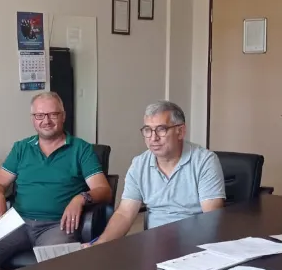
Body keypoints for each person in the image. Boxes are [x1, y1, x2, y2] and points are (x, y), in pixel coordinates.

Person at [0, 92, 112, 268]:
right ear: (33, 119)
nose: (46, 121)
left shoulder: (81, 149)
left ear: (63, 116)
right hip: (17, 223)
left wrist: (81, 198)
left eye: (53, 114)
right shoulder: (21, 148)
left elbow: (103, 190)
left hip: (58, 226)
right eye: (39, 115)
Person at [93, 101, 225, 245]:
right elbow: (124, 214)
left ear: (180, 131)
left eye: (161, 129)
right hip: (154, 244)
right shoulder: (139, 164)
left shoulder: (205, 161)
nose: (153, 138)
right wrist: (100, 244)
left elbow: (211, 218)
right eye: (148, 130)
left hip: (194, 244)